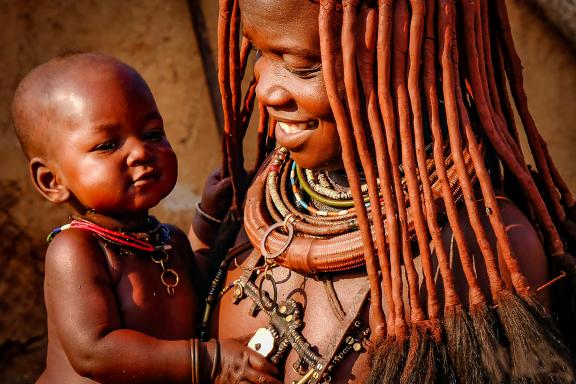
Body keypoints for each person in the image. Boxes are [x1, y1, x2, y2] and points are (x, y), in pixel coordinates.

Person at [191, 0, 576, 383]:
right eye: (261, 52)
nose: (267, 91)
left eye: (301, 65)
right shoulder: (259, 205)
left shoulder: (487, 251)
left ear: (400, 53)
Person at [11, 52, 282, 384]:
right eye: (107, 145)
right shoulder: (76, 250)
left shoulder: (170, 240)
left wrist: (209, 217)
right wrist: (209, 362)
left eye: (153, 134)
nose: (140, 152)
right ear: (52, 181)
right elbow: (94, 351)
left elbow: (203, 290)